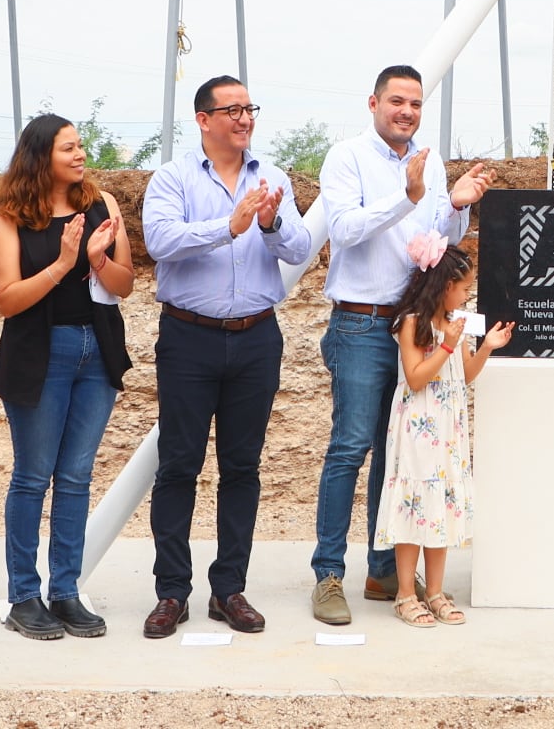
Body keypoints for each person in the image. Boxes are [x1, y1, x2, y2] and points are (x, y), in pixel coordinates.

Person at [310, 64, 494, 626]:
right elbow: (342, 231)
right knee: (351, 447)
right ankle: (328, 576)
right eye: (396, 101)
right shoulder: (346, 158)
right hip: (363, 324)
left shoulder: (431, 159)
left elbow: (434, 241)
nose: (407, 111)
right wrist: (406, 195)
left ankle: (385, 569)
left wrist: (456, 205)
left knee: (400, 456)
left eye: (415, 103)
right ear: (373, 103)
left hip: (418, 323)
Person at [139, 75, 311, 638]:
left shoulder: (273, 179)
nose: (243, 118)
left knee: (242, 467)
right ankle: (172, 592)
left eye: (249, 108)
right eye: (231, 110)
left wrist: (271, 223)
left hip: (257, 336)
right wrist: (228, 225)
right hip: (189, 337)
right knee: (178, 466)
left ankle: (228, 589)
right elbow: (161, 241)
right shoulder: (173, 177)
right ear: (203, 119)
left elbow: (302, 248)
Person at [0, 113, 135, 640]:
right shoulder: (13, 218)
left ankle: (66, 591)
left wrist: (97, 262)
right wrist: (64, 261)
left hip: (97, 353)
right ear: (40, 156)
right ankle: (25, 594)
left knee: (75, 477)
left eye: (80, 146)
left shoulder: (103, 204)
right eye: (68, 148)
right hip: (39, 355)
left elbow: (126, 286)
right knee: (32, 476)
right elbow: (7, 301)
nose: (79, 155)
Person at [374, 234, 514, 627]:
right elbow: (416, 378)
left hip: (448, 429)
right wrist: (447, 347)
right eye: (464, 288)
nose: (467, 296)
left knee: (440, 507)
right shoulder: (412, 323)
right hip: (418, 428)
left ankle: (434, 591)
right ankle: (405, 593)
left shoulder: (457, 325)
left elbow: (464, 376)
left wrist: (485, 346)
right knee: (414, 503)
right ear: (445, 287)